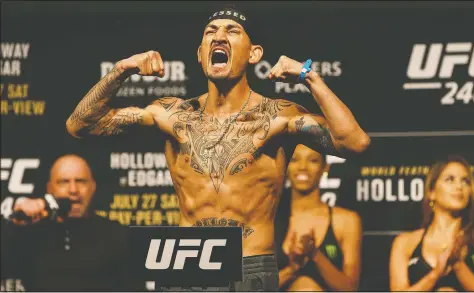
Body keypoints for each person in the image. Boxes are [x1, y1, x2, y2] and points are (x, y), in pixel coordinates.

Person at [65, 4, 370, 291]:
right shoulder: (172, 116)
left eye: (232, 30)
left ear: (254, 54)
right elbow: (79, 125)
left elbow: (354, 142)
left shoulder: (278, 117)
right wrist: (121, 70)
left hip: (249, 266)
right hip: (186, 264)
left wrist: (310, 78)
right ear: (200, 54)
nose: (219, 36)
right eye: (211, 31)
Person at [0, 154, 143, 291]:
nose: (73, 190)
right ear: (49, 189)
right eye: (64, 182)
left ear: (93, 187)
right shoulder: (29, 235)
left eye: (81, 181)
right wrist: (16, 225)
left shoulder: (117, 235)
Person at [389, 155, 474, 292]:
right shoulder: (405, 243)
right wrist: (435, 274)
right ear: (432, 192)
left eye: (465, 181)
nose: (459, 186)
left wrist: (458, 265)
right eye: (450, 179)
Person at [275, 144, 362, 291]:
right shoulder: (268, 220)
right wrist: (292, 269)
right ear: (286, 166)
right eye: (295, 160)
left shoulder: (346, 221)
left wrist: (315, 255)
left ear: (325, 167)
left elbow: (349, 288)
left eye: (313, 160)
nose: (303, 167)